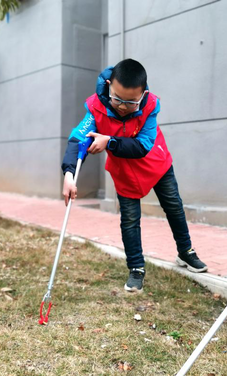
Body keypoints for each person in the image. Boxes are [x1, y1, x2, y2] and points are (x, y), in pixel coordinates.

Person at [62, 59, 207, 293]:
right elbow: (78, 138)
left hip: (156, 163)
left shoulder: (150, 107)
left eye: (130, 102)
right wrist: (70, 174)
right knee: (129, 220)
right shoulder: (96, 107)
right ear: (109, 86)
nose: (121, 106)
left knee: (174, 207)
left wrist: (109, 141)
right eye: (117, 98)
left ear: (143, 94)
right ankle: (136, 268)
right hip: (125, 172)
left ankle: (186, 252)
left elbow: (143, 145)